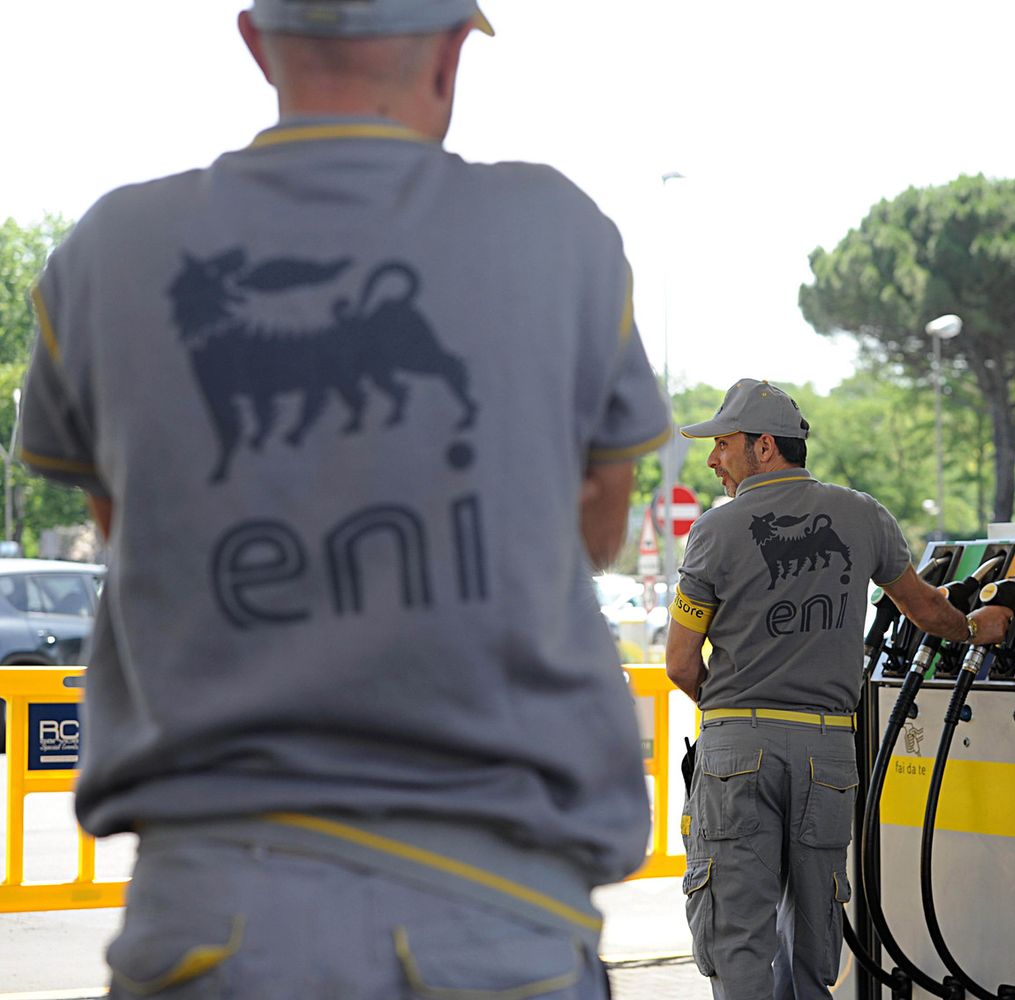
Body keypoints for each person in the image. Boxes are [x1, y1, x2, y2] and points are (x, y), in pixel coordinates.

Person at [20, 2, 669, 995]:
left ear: (254, 42)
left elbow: (130, 529)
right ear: (452, 54)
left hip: (209, 920)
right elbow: (594, 524)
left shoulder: (112, 249)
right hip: (493, 916)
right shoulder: (560, 232)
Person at [664, 379, 1013, 999]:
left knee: (738, 935)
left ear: (764, 446)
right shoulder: (862, 514)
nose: (714, 459)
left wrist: (738, 714)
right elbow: (926, 611)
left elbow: (681, 664)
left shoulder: (716, 532)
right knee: (815, 933)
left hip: (737, 752)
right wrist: (975, 628)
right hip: (827, 752)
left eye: (722, 444)